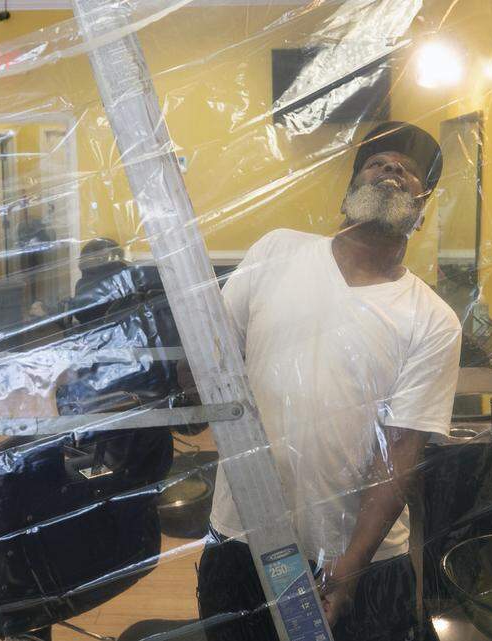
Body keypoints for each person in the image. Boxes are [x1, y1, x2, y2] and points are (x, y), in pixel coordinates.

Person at [196, 122, 463, 641]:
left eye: (408, 171)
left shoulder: (431, 319)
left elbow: (401, 453)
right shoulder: (276, 252)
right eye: (377, 162)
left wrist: (350, 566)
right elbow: (212, 366)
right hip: (242, 537)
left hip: (361, 560)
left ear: (422, 207)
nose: (392, 170)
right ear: (348, 190)